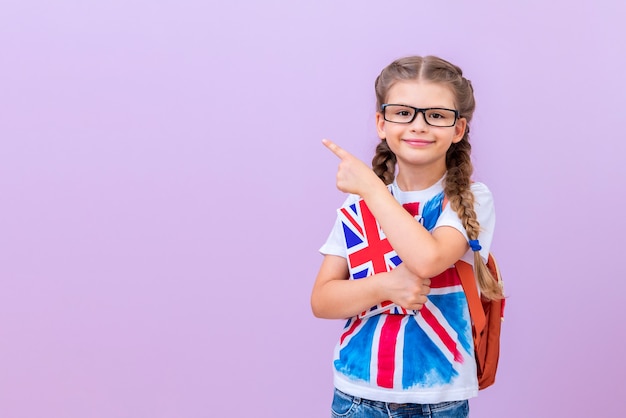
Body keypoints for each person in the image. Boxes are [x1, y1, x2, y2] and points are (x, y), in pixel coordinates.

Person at [311, 55, 504, 418]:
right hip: (356, 396)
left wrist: (372, 188)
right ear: (382, 123)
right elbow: (322, 300)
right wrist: (384, 286)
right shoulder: (360, 202)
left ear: (458, 129)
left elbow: (428, 259)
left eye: (436, 115)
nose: (419, 125)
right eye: (403, 113)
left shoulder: (472, 199)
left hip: (439, 400)